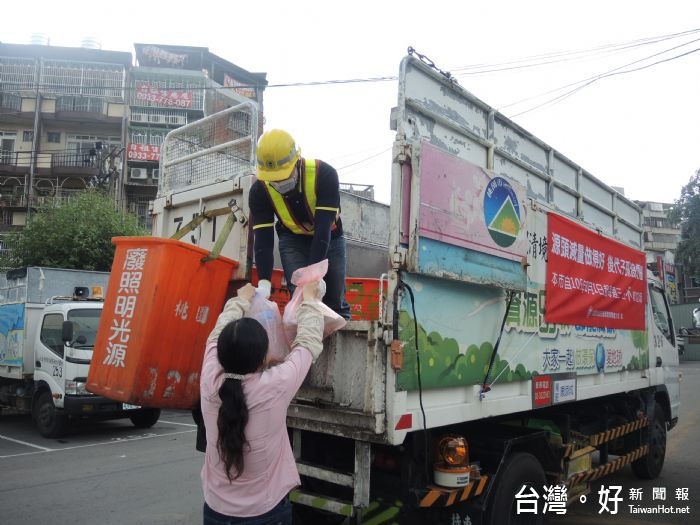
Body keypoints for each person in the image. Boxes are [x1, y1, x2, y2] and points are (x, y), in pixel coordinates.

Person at [199, 281, 326, 524]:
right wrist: (310, 299)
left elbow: (216, 335)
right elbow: (308, 343)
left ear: (222, 354)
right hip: (266, 513)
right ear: (262, 358)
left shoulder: (209, 380)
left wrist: (240, 300)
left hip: (215, 510)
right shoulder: (275, 385)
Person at [249, 128, 351, 320]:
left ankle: (340, 333)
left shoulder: (325, 175)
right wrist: (264, 282)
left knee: (334, 299)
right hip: (292, 239)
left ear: (297, 160)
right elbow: (263, 240)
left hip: (329, 236)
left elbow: (323, 229)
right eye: (273, 179)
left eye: (284, 175)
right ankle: (305, 343)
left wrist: (312, 274)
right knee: (301, 297)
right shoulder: (259, 191)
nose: (279, 182)